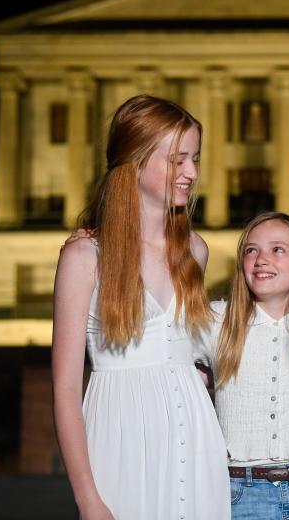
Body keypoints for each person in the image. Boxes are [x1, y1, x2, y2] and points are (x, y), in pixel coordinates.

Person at [52, 95, 229, 520]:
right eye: (177, 160)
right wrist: (87, 498)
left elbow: (190, 351)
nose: (191, 172)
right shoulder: (84, 257)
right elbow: (64, 390)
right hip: (119, 438)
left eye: (195, 159)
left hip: (196, 435)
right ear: (133, 161)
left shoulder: (196, 251)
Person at [194, 212, 289, 520]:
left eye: (277, 249)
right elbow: (165, 366)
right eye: (251, 250)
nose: (261, 259)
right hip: (238, 491)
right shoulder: (215, 321)